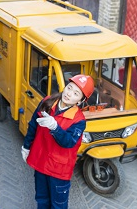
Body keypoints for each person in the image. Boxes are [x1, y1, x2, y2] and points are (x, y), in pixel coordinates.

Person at [21, 74, 94, 209]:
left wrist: (55, 127)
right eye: (69, 88)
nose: (69, 93)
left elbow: (68, 142)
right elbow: (33, 125)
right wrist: (26, 146)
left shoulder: (78, 120)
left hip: (58, 171)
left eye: (76, 93)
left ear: (80, 100)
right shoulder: (48, 102)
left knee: (58, 205)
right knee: (42, 200)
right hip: (41, 163)